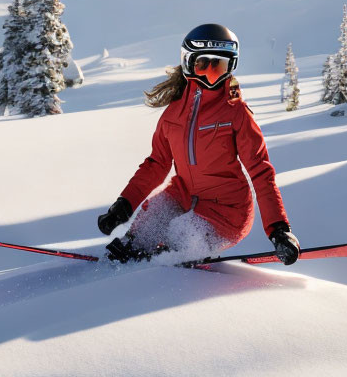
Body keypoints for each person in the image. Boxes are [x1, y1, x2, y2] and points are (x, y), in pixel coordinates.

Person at [97, 23, 300, 265]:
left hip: (227, 211)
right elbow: (157, 163)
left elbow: (260, 171)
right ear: (188, 63)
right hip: (183, 195)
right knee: (148, 223)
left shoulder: (236, 113)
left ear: (230, 68)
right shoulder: (174, 113)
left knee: (181, 234)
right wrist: (125, 204)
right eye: (203, 65)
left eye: (220, 67)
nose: (211, 76)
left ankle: (166, 263)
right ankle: (126, 259)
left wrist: (278, 228)